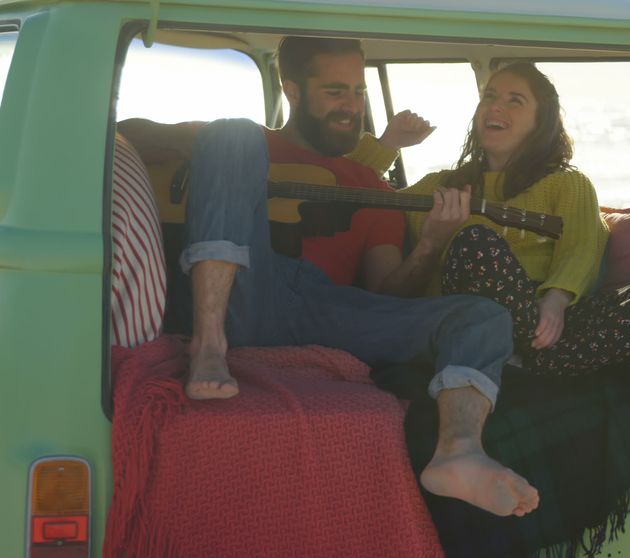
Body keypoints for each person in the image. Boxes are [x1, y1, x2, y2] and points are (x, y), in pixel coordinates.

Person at [120, 37, 538, 518]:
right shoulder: (239, 148)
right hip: (243, 291)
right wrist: (197, 147)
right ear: (293, 90)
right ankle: (209, 346)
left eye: (359, 93)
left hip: (323, 308)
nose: (352, 107)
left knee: (482, 317)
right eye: (336, 92)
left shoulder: (373, 187)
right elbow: (124, 134)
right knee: (230, 131)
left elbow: (386, 292)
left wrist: (432, 242)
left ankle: (459, 452)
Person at [399, 62, 630, 375]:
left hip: (553, 318)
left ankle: (533, 364)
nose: (495, 107)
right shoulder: (440, 187)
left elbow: (581, 247)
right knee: (474, 242)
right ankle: (525, 358)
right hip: (478, 323)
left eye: (514, 100)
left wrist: (556, 300)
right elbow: (360, 194)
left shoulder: (567, 184)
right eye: (489, 97)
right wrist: (387, 146)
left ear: (539, 122)